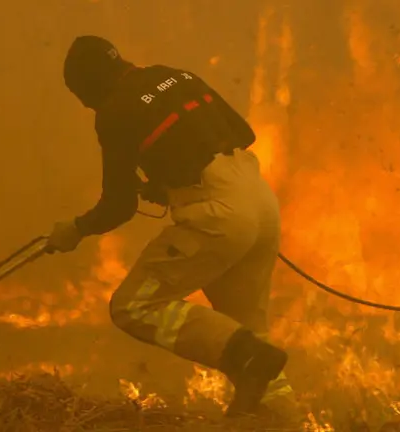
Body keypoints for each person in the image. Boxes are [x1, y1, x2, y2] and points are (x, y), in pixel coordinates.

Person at [45, 35, 295, 417]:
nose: (85, 104)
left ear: (89, 83)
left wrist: (75, 229)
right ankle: (280, 418)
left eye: (81, 94)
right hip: (260, 201)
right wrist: (168, 181)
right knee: (244, 326)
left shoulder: (113, 111)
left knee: (133, 306)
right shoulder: (175, 76)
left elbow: (118, 205)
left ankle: (249, 359)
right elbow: (243, 133)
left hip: (218, 214)